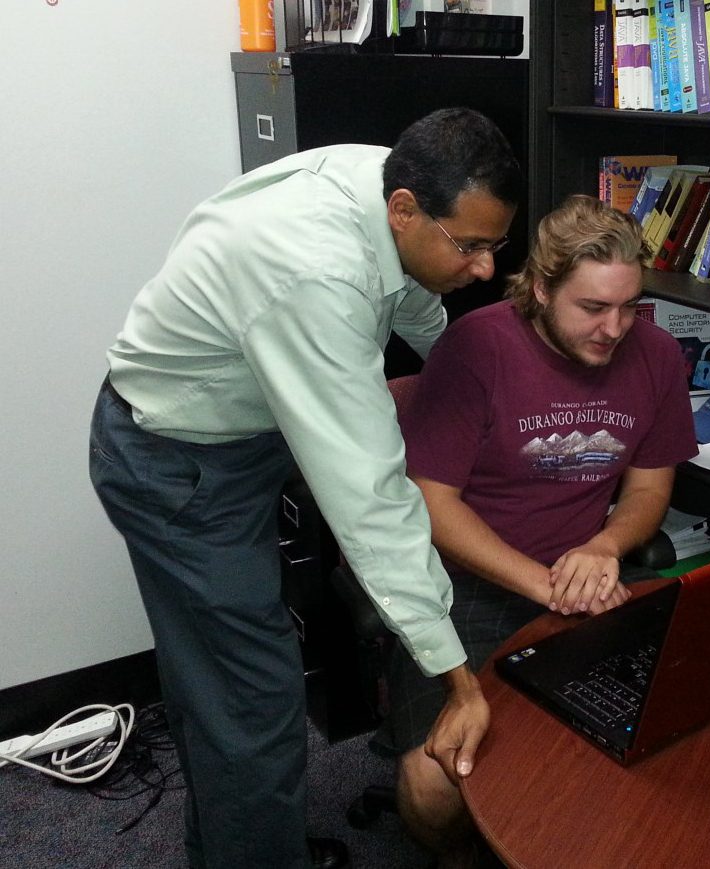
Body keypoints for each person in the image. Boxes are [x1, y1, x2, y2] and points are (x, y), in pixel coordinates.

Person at [89, 107, 523, 869]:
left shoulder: (389, 176)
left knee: (213, 686)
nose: (485, 269)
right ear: (405, 211)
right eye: (473, 247)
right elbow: (373, 505)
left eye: (496, 245)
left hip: (230, 426)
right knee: (253, 702)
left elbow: (415, 298)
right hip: (179, 465)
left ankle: (241, 844)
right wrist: (458, 679)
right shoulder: (316, 274)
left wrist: (485, 383)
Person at [375, 195, 698, 867]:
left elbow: (648, 489)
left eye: (628, 306)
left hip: (588, 571)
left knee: (687, 715)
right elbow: (431, 505)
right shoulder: (476, 346)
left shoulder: (657, 354)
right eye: (592, 308)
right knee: (433, 783)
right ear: (542, 288)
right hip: (471, 583)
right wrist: (547, 584)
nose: (614, 328)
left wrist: (604, 545)